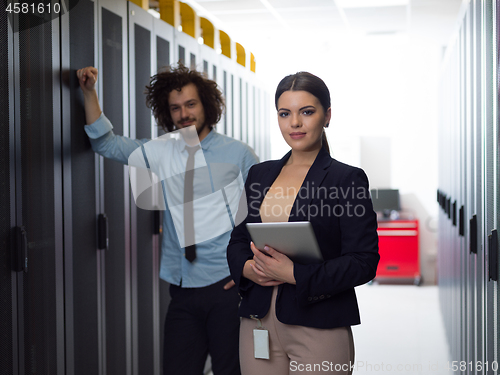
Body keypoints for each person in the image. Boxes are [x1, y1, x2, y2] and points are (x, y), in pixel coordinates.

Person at [76, 64, 258, 375]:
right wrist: (89, 92)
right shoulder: (162, 152)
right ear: (167, 112)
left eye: (190, 104)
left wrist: (249, 270)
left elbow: (261, 214)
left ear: (206, 106)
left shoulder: (238, 153)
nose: (183, 114)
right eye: (175, 108)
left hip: (226, 289)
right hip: (182, 288)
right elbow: (105, 143)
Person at [227, 71, 379, 375]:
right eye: (285, 114)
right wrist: (246, 269)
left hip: (319, 324)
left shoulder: (346, 178)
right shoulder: (260, 174)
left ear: (327, 116)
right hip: (258, 321)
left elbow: (364, 261)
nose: (294, 123)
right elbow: (239, 240)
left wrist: (295, 273)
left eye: (306, 112)